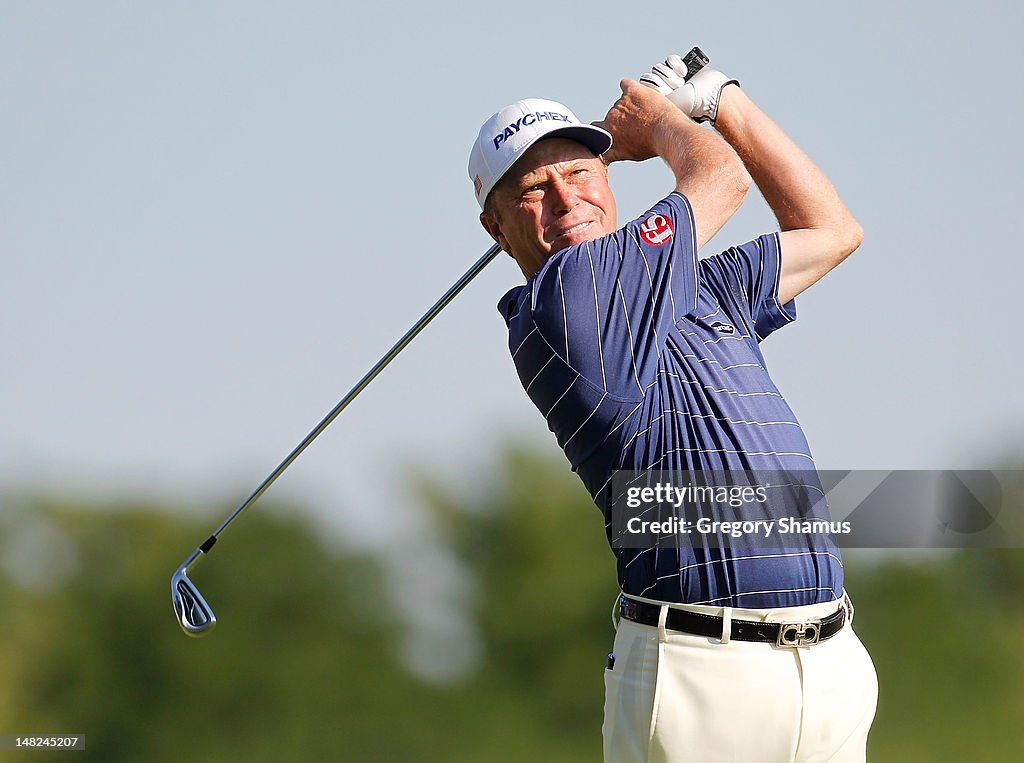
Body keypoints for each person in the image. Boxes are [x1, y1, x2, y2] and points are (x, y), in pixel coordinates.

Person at [468, 50, 877, 762]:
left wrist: (724, 99)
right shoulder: (561, 304)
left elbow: (831, 228)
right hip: (697, 671)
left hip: (830, 658)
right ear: (495, 228)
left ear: (608, 182)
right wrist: (659, 121)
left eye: (580, 173)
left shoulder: (693, 288)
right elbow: (720, 178)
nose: (567, 201)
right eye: (533, 189)